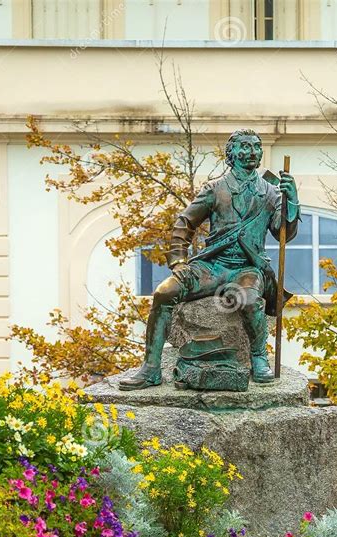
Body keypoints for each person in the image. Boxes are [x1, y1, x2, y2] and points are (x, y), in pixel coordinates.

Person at [119, 129, 300, 390]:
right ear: (231, 154)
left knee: (248, 300)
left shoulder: (271, 193)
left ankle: (258, 357)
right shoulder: (215, 189)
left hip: (246, 269)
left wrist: (292, 201)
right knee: (164, 292)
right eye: (245, 146)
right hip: (211, 266)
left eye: (256, 147)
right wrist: (179, 261)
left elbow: (284, 234)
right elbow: (185, 223)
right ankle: (150, 369)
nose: (252, 152)